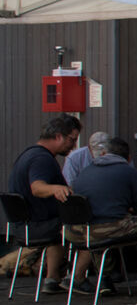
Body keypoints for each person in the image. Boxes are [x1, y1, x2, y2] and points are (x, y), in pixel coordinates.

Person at [67, 136, 137, 289]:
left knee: (100, 230)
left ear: (103, 154)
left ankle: (105, 278)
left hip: (76, 231)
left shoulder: (85, 171)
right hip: (106, 229)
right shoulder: (130, 173)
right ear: (128, 158)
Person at [2, 113, 81, 284]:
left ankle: (52, 278)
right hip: (37, 227)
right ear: (58, 136)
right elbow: (37, 187)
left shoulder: (27, 155)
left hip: (21, 227)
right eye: (71, 140)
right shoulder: (42, 159)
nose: (74, 146)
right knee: (85, 227)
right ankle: (78, 278)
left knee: (59, 223)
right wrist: (56, 188)